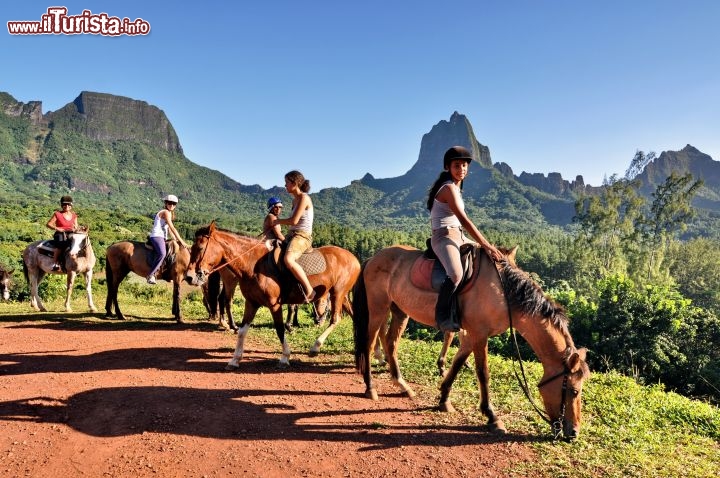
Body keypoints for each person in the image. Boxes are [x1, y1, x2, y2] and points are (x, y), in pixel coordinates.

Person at [428, 146, 503, 332]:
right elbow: (464, 220)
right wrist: (486, 244)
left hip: (459, 236)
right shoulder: (448, 189)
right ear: (448, 167)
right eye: (456, 165)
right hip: (444, 237)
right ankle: (442, 316)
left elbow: (461, 225)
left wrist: (488, 248)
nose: (461, 169)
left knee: (490, 257)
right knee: (455, 274)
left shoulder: (456, 188)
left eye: (464, 165)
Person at [274, 171, 315, 302]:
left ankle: (310, 290)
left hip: (302, 236)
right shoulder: (294, 200)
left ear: (295, 183)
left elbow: (294, 221)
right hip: (291, 235)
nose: (285, 185)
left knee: (289, 259)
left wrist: (277, 221)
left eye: (286, 182)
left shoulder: (304, 198)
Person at [147, 194, 189, 285]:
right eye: (170, 203)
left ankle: (166, 273)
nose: (172, 205)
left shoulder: (170, 213)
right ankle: (151, 275)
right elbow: (173, 228)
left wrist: (175, 240)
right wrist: (182, 241)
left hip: (163, 237)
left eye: (174, 204)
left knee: (172, 251)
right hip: (157, 236)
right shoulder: (165, 212)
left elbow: (169, 230)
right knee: (162, 253)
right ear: (166, 203)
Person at [46, 195, 79, 271]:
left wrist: (76, 229)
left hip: (71, 233)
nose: (66, 206)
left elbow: (76, 226)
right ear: (61, 205)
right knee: (61, 244)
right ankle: (55, 263)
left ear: (71, 205)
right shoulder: (57, 214)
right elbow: (48, 224)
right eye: (64, 204)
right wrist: (57, 228)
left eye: (68, 204)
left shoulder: (74, 216)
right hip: (60, 233)